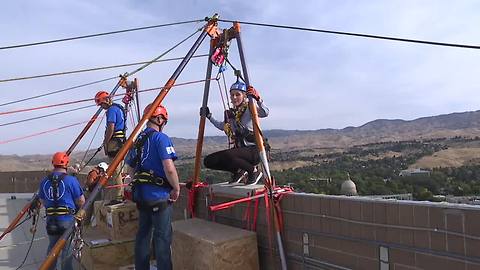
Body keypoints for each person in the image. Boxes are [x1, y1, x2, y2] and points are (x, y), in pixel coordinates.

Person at [125, 103, 180, 270]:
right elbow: (169, 168)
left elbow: (131, 169)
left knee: (143, 235)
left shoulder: (137, 140)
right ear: (160, 118)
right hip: (159, 197)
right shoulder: (160, 138)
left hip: (142, 196)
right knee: (162, 238)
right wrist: (176, 188)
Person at [202, 80, 269, 185]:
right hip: (239, 151)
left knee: (229, 155)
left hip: (254, 150)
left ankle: (253, 171)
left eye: (237, 95)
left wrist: (258, 99)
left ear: (244, 96)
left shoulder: (249, 107)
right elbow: (222, 126)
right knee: (209, 161)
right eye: (232, 95)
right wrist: (209, 116)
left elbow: (265, 112)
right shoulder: (231, 114)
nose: (234, 98)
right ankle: (238, 171)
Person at [38, 152, 85, 270]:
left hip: (51, 221)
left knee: (52, 248)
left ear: (53, 163)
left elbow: (42, 201)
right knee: (67, 250)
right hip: (67, 220)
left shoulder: (44, 181)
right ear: (66, 164)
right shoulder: (71, 180)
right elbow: (81, 201)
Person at [95, 90, 127, 205]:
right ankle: (121, 194)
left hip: (114, 141)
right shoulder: (119, 108)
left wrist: (106, 142)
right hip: (121, 140)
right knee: (119, 168)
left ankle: (119, 196)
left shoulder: (111, 110)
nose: (102, 107)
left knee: (114, 169)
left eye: (102, 104)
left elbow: (110, 127)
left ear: (107, 100)